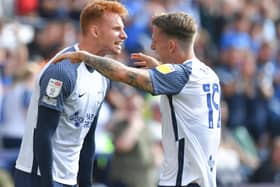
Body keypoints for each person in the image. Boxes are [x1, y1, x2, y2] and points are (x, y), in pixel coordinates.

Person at [52, 12, 221, 187]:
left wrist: (85, 56)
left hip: (183, 181)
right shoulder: (208, 74)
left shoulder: (179, 76)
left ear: (171, 46)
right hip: (202, 179)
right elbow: (183, 88)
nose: (153, 47)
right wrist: (159, 68)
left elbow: (123, 74)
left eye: (155, 40)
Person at [14, 1, 128, 187]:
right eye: (117, 29)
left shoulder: (103, 76)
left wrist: (84, 183)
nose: (124, 35)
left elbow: (88, 138)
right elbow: (43, 135)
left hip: (69, 179)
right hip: (38, 177)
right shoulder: (62, 72)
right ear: (95, 31)